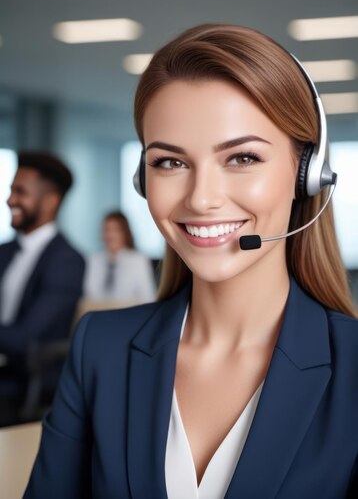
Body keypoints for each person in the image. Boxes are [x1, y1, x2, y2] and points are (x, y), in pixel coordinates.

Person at [25, 25, 357, 498]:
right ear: (143, 177)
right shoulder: (100, 349)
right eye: (170, 163)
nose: (201, 200)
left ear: (308, 173)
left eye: (242, 158)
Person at [0, 151, 85, 422]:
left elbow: (29, 338)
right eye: (11, 190)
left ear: (50, 202)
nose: (9, 200)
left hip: (23, 384)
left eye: (20, 192)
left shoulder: (67, 261)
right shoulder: (4, 252)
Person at [83, 210, 155, 302]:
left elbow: (148, 297)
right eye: (107, 230)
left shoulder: (138, 261)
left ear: (125, 232)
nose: (110, 235)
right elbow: (87, 295)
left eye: (115, 230)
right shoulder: (92, 260)